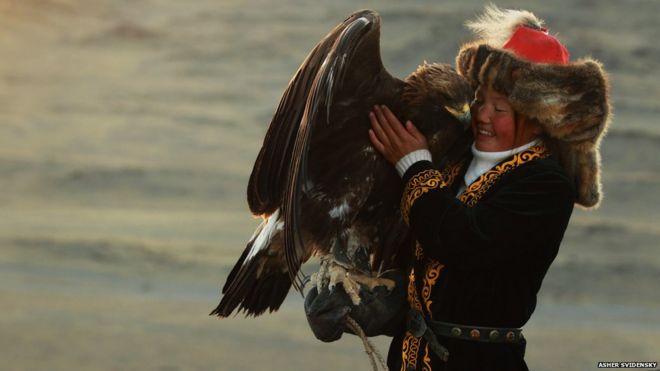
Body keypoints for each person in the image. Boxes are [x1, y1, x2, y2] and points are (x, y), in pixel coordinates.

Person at [364, 6, 611, 371]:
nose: (481, 115)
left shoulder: (546, 185)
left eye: (500, 108)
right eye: (480, 98)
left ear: (539, 120)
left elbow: (463, 241)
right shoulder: (457, 158)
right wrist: (372, 296)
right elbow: (422, 254)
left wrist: (413, 165)